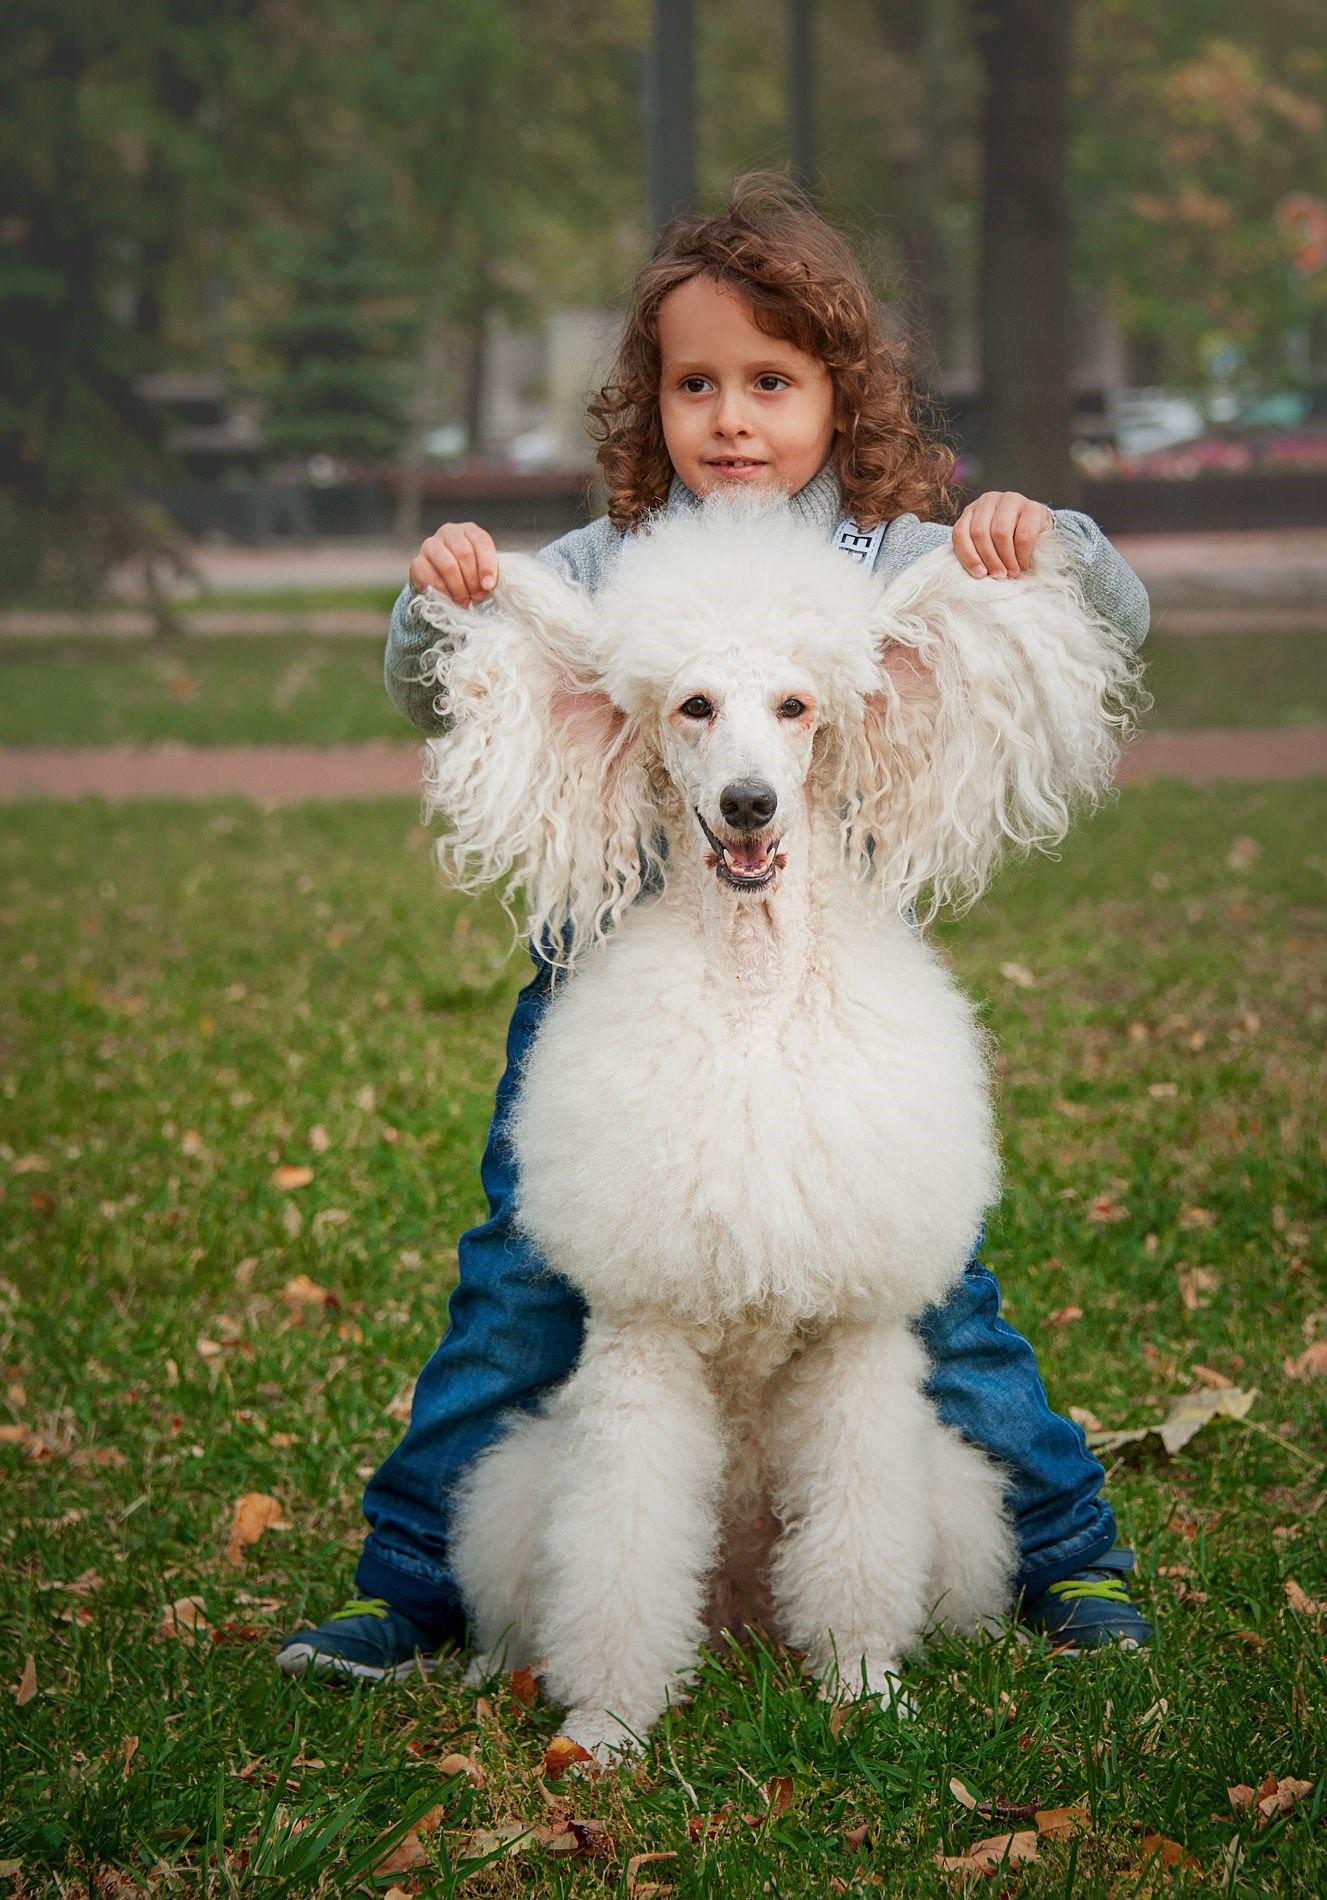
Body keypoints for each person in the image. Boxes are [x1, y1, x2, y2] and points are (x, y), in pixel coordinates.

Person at [278, 172, 1152, 1685]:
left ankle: (1072, 1555)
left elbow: (1096, 628)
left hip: (827, 1006)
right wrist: (440, 608)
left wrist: (1046, 536)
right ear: (653, 402)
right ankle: (411, 1575)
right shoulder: (610, 567)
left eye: (773, 382)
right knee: (516, 1279)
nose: (733, 418)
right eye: (697, 385)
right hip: (615, 996)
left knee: (935, 1296)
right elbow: (455, 690)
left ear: (839, 396)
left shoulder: (889, 557)